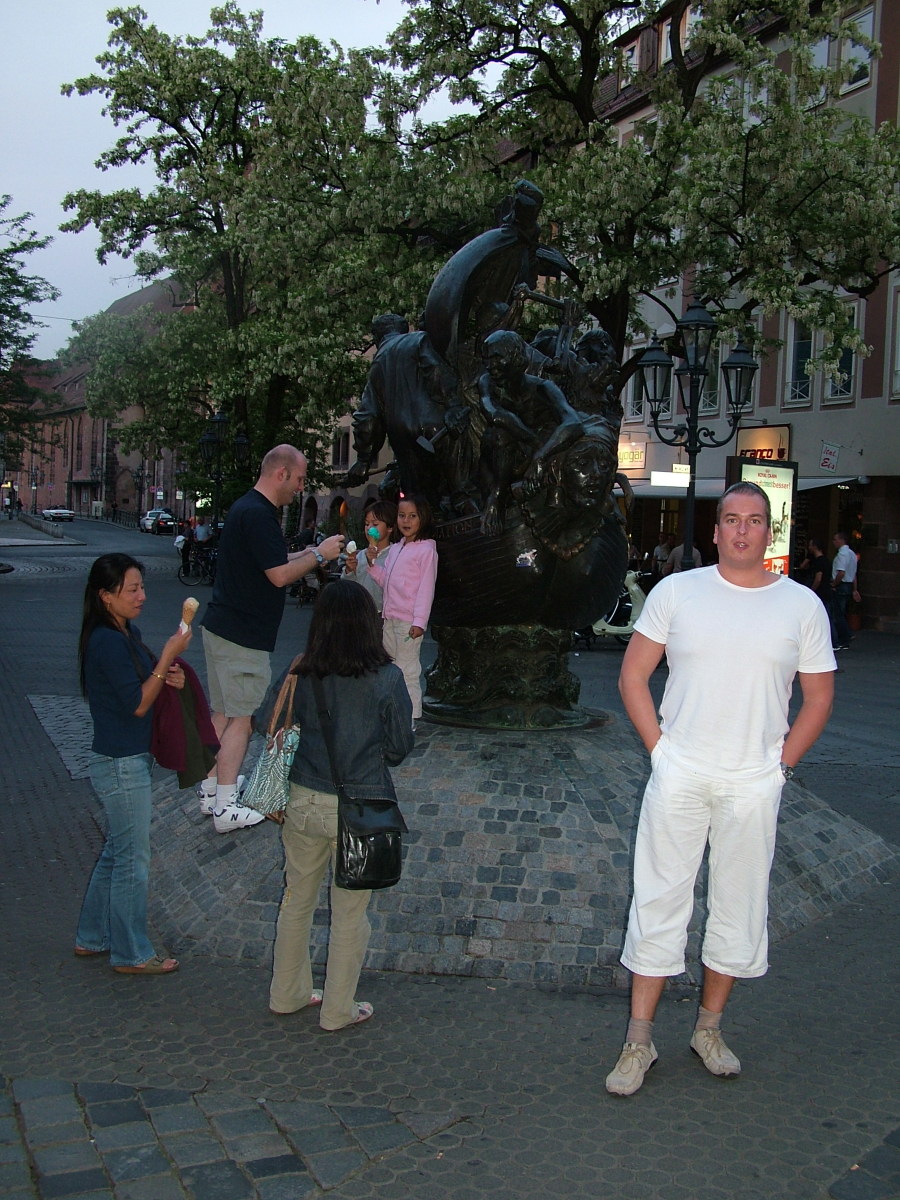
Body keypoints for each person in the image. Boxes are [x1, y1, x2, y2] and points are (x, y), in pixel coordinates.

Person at [606, 482, 835, 1097]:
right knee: (658, 899)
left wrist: (779, 769)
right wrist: (661, 752)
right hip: (681, 772)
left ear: (769, 531)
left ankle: (708, 1029)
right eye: (732, 519)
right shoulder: (677, 592)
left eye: (754, 520)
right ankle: (638, 1040)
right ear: (715, 530)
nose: (742, 530)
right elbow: (633, 676)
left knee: (739, 903)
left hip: (752, 781)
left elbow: (818, 697)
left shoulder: (801, 606)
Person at [267, 580, 414, 1029]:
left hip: (302, 800)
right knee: (350, 915)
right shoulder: (387, 678)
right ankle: (337, 1010)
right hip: (359, 809)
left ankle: (287, 994)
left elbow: (265, 722)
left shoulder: (300, 670)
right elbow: (399, 748)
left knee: (296, 900)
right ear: (369, 624)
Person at [198, 445, 345, 832]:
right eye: (299, 479)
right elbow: (279, 576)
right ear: (281, 474)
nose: (300, 488)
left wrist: (310, 552)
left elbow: (271, 563)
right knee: (242, 720)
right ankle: (226, 806)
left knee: (222, 713)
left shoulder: (246, 508)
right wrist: (319, 556)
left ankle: (210, 790)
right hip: (243, 635)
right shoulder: (260, 515)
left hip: (223, 627)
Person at [75, 553, 192, 974]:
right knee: (132, 860)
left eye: (142, 587)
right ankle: (131, 953)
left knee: (116, 852)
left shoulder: (126, 631)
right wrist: (167, 656)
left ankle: (92, 936)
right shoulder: (106, 640)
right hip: (120, 763)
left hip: (125, 758)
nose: (142, 596)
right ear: (106, 596)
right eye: (132, 589)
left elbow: (147, 686)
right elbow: (138, 704)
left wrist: (171, 676)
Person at [365, 493, 438, 727]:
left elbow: (426, 588)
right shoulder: (396, 549)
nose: (406, 521)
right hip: (390, 619)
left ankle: (411, 718)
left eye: (412, 516)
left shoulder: (426, 550)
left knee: (408, 670)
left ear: (423, 518)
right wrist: (372, 564)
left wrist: (419, 621)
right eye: (402, 515)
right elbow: (387, 581)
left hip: (408, 623)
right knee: (390, 669)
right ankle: (393, 714)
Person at [342, 499, 397, 614]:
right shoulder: (360, 555)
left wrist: (372, 564)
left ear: (390, 527)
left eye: (375, 524)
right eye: (367, 524)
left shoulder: (395, 556)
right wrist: (349, 571)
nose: (369, 528)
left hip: (382, 615)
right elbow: (347, 587)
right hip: (357, 613)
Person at [830, 531, 858, 651]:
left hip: (841, 585)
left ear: (841, 540)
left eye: (835, 539)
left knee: (837, 613)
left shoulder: (842, 554)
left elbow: (841, 572)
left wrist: (834, 584)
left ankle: (844, 637)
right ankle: (846, 636)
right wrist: (855, 589)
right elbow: (853, 574)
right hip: (848, 584)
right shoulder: (852, 554)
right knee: (841, 611)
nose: (833, 542)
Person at [799, 537, 830, 607]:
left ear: (815, 547)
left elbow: (818, 579)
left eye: (810, 545)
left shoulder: (818, 562)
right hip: (826, 593)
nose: (809, 548)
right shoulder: (826, 560)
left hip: (820, 593)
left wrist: (811, 591)